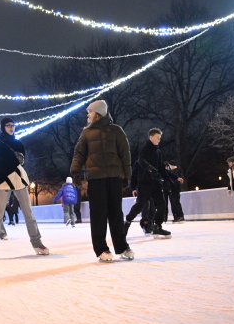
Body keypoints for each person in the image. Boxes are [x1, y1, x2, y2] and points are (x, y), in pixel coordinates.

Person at [71, 100, 134, 262]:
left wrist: (126, 175)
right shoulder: (86, 133)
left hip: (114, 177)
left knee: (116, 213)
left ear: (97, 113)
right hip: (96, 178)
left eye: (90, 112)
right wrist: (75, 171)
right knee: (98, 214)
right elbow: (79, 154)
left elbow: (124, 153)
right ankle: (101, 249)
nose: (87, 115)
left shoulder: (116, 131)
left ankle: (122, 246)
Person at [0, 117, 49, 259]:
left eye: (13, 125)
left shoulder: (18, 144)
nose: (11, 128)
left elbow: (22, 161)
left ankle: (37, 243)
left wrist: (10, 169)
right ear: (3, 127)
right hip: (4, 181)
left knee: (28, 213)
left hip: (18, 179)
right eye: (8, 125)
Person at [123, 128, 171, 239]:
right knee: (140, 205)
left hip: (156, 183)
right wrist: (148, 168)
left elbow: (161, 169)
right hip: (145, 184)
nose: (159, 139)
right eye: (157, 137)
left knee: (162, 203)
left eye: (160, 138)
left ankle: (157, 226)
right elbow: (141, 160)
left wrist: (168, 180)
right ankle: (127, 222)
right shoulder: (145, 149)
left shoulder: (158, 151)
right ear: (151, 137)